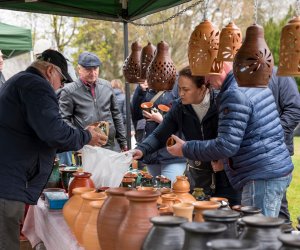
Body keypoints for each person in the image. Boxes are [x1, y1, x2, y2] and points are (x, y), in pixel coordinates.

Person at [0, 49, 107, 250]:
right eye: (62, 80)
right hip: (7, 181)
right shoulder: (36, 86)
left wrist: (80, 135)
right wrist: (87, 136)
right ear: (50, 71)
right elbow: (53, 133)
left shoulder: (20, 81)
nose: (62, 86)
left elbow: (39, 133)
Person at [164, 63, 293, 217]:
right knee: (266, 232)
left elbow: (226, 145)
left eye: (207, 75)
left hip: (261, 176)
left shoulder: (233, 93)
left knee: (257, 235)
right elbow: (242, 135)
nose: (205, 80)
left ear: (218, 68)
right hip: (271, 170)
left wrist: (185, 148)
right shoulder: (249, 81)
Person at [132, 66, 240, 205]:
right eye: (179, 89)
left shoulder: (222, 103)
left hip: (227, 175)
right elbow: (160, 135)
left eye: (186, 89)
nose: (181, 93)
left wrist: (222, 160)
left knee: (229, 218)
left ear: (202, 88)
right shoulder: (179, 107)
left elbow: (230, 141)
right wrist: (142, 149)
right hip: (198, 177)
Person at [59, 51, 127, 151]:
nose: (93, 73)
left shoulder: (107, 86)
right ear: (79, 69)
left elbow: (116, 114)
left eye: (95, 68)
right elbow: (64, 120)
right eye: (88, 69)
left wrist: (123, 142)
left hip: (110, 145)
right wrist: (81, 136)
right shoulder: (69, 91)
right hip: (86, 146)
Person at [131, 78, 186, 183]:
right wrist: (140, 91)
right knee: (156, 192)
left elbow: (185, 122)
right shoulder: (147, 89)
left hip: (172, 153)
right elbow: (136, 115)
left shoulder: (178, 87)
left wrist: (162, 120)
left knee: (168, 191)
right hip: (152, 152)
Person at [268, 67, 300, 225]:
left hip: (277, 151)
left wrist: (272, 134)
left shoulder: (281, 74)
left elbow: (294, 109)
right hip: (248, 155)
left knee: (278, 204)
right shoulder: (240, 75)